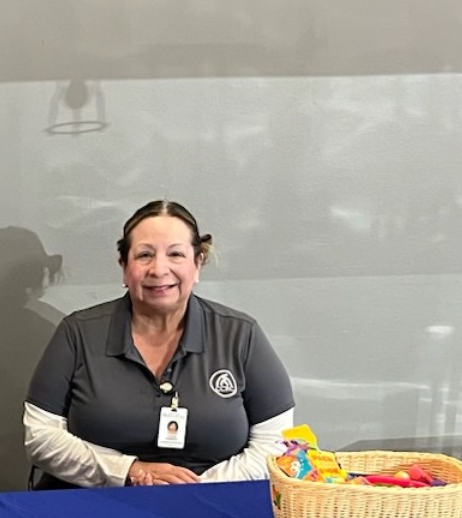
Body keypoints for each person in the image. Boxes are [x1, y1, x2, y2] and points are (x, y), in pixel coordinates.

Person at [24, 200, 296, 488]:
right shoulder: (76, 333)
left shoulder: (242, 335)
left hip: (212, 504)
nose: (159, 269)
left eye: (176, 254)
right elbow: (40, 436)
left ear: (197, 263)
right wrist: (128, 471)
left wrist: (195, 488)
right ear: (124, 266)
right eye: (144, 255)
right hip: (92, 505)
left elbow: (276, 445)